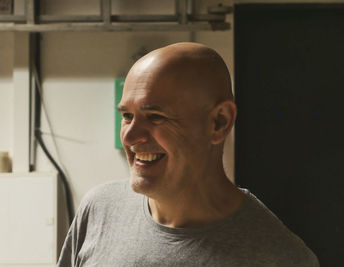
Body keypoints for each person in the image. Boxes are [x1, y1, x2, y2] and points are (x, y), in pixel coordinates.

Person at [57, 42, 319, 266]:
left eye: (155, 117)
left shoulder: (280, 258)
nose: (130, 136)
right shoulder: (99, 210)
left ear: (219, 122)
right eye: (127, 116)